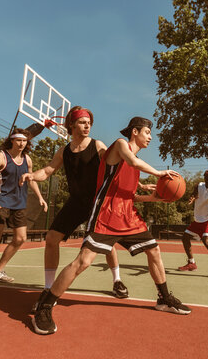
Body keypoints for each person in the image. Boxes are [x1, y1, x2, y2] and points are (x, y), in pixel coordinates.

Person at [31, 116, 191, 335]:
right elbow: (133, 163)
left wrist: (154, 198)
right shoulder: (119, 145)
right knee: (84, 261)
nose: (150, 137)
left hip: (127, 216)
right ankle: (45, 306)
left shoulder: (134, 165)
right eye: (147, 132)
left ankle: (164, 298)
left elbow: (130, 196)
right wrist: (160, 172)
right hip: (106, 213)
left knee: (154, 250)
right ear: (134, 132)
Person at [21, 106, 134, 305]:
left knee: (107, 245)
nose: (87, 125)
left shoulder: (98, 145)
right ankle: (48, 288)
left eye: (89, 123)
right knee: (51, 238)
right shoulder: (64, 151)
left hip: (97, 202)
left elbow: (116, 167)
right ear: (71, 125)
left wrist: (134, 186)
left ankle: (117, 280)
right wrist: (33, 175)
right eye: (83, 122)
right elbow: (48, 170)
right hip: (76, 202)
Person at [0, 128, 48, 300]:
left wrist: (40, 197)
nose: (21, 143)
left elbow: (31, 180)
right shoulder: (1, 157)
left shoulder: (27, 159)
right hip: (0, 203)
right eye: (18, 140)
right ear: (11, 140)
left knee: (20, 238)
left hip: (19, 205)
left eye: (24, 141)